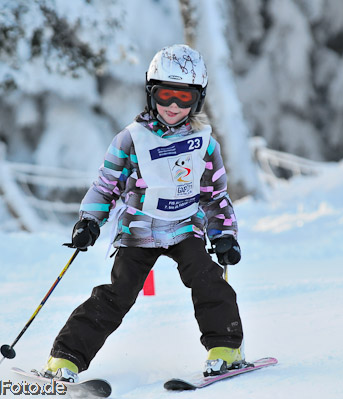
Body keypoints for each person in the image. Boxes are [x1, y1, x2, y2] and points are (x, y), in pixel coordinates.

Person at [42, 44, 245, 383]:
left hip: (185, 228)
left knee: (208, 278)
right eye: (166, 95)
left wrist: (223, 234)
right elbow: (106, 184)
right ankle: (65, 358)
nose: (174, 106)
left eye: (184, 98)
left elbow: (214, 196)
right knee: (118, 293)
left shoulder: (204, 143)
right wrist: (90, 220)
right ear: (152, 95)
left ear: (198, 99)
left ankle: (226, 347)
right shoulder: (132, 139)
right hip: (139, 229)